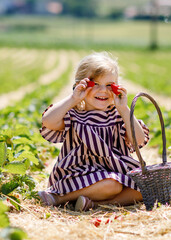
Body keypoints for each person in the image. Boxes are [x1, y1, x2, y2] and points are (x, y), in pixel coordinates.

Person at [37, 52, 149, 211]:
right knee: (112, 185)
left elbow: (138, 141)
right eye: (95, 84)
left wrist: (124, 109)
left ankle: (93, 204)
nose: (103, 91)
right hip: (79, 174)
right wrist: (73, 99)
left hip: (114, 170)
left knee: (146, 188)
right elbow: (48, 121)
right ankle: (57, 197)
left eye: (110, 85)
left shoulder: (118, 116)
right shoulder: (74, 115)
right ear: (81, 85)